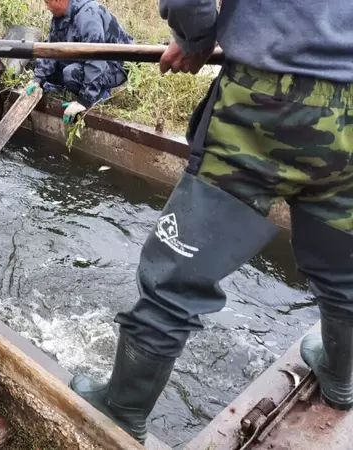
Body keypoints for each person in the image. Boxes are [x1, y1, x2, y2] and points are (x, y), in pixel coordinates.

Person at [68, 0, 353, 444]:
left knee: (173, 279)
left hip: (267, 104)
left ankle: (121, 412)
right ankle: (339, 378)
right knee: (343, 271)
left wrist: (194, 40)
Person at [28, 0, 133, 122]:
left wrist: (85, 101)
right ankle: (73, 87)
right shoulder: (59, 17)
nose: (47, 7)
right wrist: (38, 81)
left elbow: (97, 58)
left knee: (70, 73)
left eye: (47, 3)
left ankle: (100, 94)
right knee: (41, 66)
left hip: (114, 65)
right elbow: (51, 49)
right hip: (86, 58)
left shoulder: (88, 16)